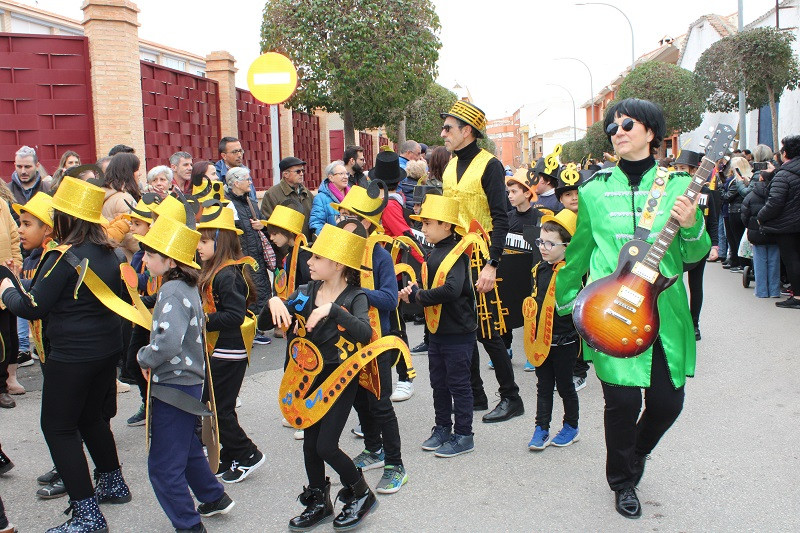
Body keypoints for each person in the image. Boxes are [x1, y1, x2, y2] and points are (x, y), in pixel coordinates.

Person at [555, 98, 711, 519]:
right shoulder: (592, 191)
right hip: (609, 312)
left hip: (663, 312)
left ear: (650, 132)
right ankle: (622, 480)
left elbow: (697, 253)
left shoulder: (680, 187)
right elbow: (579, 252)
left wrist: (694, 224)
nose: (617, 131)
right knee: (621, 405)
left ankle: (637, 452)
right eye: (612, 126)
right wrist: (564, 302)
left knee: (667, 403)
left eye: (627, 124)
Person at [1, 176, 133, 532]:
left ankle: (87, 514)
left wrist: (5, 287)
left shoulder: (64, 255)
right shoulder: (110, 250)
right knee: (92, 419)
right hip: (106, 349)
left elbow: (33, 308)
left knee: (58, 428)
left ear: (65, 218)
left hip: (72, 355)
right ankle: (113, 483)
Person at [265, 224, 377, 532]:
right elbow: (270, 319)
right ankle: (319, 500)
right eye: (310, 257)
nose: (309, 262)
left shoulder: (355, 297)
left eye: (317, 257)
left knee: (326, 446)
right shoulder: (304, 293)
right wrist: (272, 302)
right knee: (310, 444)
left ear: (338, 264)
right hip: (308, 379)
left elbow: (365, 333)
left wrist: (332, 309)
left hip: (341, 379)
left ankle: (361, 493)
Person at [135, 213, 235, 532]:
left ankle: (189, 526)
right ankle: (213, 496)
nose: (145, 259)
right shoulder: (186, 284)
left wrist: (143, 357)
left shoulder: (172, 290)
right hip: (188, 381)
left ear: (169, 259)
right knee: (187, 446)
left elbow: (167, 343)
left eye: (151, 254)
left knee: (163, 466)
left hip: (174, 384)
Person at [439, 100, 523, 423]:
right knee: (462, 326)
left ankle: (511, 396)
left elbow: (501, 218)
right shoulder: (449, 166)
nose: (443, 133)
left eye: (449, 128)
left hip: (482, 255)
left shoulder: (490, 165)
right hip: (456, 257)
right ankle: (476, 393)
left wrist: (493, 263)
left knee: (488, 331)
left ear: (467, 131)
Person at [332, 186, 408, 492]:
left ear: (365, 224)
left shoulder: (380, 256)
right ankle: (373, 447)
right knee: (359, 401)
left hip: (377, 342)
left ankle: (395, 464)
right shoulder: (340, 251)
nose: (342, 220)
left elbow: (390, 299)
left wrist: (357, 295)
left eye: (349, 215)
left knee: (380, 404)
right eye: (342, 214)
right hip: (348, 343)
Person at [401, 194, 477, 457]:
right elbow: (435, 287)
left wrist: (419, 296)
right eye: (422, 224)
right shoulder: (435, 252)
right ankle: (443, 428)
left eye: (428, 223)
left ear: (446, 225)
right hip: (438, 332)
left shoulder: (457, 254)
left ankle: (464, 434)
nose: (423, 229)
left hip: (457, 332)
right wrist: (415, 291)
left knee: (458, 384)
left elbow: (452, 290)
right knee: (439, 384)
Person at [196, 207, 266, 483]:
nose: (198, 246)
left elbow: (234, 316)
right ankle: (231, 453)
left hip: (229, 350)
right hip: (217, 349)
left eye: (204, 241)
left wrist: (201, 321)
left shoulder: (227, 274)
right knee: (214, 406)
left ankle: (248, 454)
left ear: (220, 241)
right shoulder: (214, 270)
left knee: (220, 409)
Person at [526, 209, 580, 451]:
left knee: (566, 386)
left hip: (565, 340)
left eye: (550, 243)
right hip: (541, 339)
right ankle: (541, 428)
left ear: (566, 246)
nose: (543, 247)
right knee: (543, 385)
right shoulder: (539, 269)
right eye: (541, 242)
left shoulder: (572, 272)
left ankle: (571, 426)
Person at [225, 166, 275, 345]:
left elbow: (263, 224)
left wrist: (262, 226)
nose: (250, 182)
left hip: (257, 256)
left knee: (261, 291)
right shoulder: (227, 204)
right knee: (246, 293)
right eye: (247, 179)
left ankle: (256, 329)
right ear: (236, 183)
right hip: (242, 257)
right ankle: (249, 330)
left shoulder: (252, 203)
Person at [674, 150, 719, 340]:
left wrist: (715, 246)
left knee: (695, 285)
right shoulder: (673, 190)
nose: (679, 172)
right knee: (673, 285)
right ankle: (675, 323)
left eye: (683, 168)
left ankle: (694, 324)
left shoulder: (707, 192)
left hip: (699, 245)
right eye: (676, 168)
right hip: (676, 246)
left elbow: (714, 221)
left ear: (694, 170)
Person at [502, 168, 541, 372]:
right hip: (510, 271)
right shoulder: (507, 218)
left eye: (514, 192)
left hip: (531, 274)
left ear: (527, 193)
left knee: (530, 313)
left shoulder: (539, 217)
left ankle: (531, 351)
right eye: (508, 193)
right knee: (506, 310)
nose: (510, 196)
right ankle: (506, 348)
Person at [122, 198, 157, 427]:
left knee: (153, 363)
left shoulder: (157, 252)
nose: (131, 228)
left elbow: (145, 280)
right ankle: (148, 403)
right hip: (141, 316)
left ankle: (155, 407)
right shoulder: (138, 254)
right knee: (133, 361)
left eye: (137, 223)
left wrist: (128, 278)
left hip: (156, 317)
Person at [758, 135, 800, 309]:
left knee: (792, 260)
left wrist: (761, 216)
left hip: (788, 226)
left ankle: (797, 296)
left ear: (785, 153)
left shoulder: (784, 174)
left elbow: (775, 202)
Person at [742, 165, 781, 298]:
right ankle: (775, 291)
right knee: (774, 263)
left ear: (760, 178)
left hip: (756, 233)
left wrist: (750, 226)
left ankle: (761, 291)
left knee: (759, 262)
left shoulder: (751, 195)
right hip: (774, 233)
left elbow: (744, 215)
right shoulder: (776, 193)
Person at [0, 198, 22, 408]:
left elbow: (14, 240)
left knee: (4, 339)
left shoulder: (2, 205)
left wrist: (15, 267)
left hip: (3, 281)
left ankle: (1, 387)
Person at [260, 156, 315, 240]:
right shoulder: (272, 194)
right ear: (286, 174)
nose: (301, 174)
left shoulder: (307, 194)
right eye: (298, 171)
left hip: (306, 247)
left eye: (302, 170)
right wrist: (286, 250)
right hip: (285, 249)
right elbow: (270, 225)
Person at [102, 152, 142, 261]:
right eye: (137, 169)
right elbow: (132, 236)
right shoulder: (125, 199)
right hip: (128, 259)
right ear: (129, 172)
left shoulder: (105, 194)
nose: (140, 174)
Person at [721, 156, 753, 273]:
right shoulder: (742, 179)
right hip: (736, 211)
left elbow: (728, 197)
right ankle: (738, 261)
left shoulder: (738, 181)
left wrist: (719, 188)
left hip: (736, 211)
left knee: (736, 239)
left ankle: (741, 263)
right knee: (734, 239)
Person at [310, 160, 349, 236]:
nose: (346, 177)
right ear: (331, 178)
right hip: (333, 242)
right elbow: (316, 223)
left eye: (346, 174)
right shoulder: (321, 198)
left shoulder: (353, 194)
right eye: (341, 174)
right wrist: (328, 240)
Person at [215, 137, 256, 201]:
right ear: (224, 156)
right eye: (235, 152)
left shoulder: (245, 172)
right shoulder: (216, 174)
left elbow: (253, 199)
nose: (239, 155)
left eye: (240, 151)